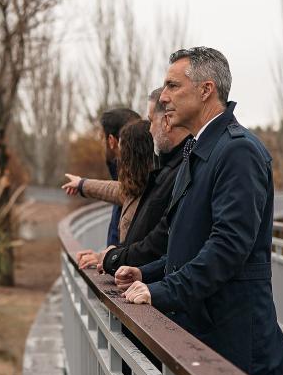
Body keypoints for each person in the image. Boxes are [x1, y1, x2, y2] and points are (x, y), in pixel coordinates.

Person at [116, 47, 283, 375]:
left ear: (206, 90)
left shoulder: (237, 150)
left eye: (173, 86)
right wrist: (143, 270)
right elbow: (183, 241)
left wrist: (163, 290)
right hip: (207, 339)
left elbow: (230, 246)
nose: (164, 97)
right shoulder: (202, 148)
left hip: (232, 340)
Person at [75, 88, 191, 275]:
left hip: (144, 290)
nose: (150, 128)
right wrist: (82, 185)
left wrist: (112, 259)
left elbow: (154, 243)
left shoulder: (169, 177)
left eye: (151, 121)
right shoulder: (157, 178)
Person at [62, 119, 154, 243]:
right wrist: (81, 184)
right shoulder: (141, 186)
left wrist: (110, 257)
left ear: (133, 157)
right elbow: (114, 190)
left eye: (123, 153)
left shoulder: (152, 194)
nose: (120, 159)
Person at [98, 108, 142, 246]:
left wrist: (111, 258)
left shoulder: (135, 181)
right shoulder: (133, 174)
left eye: (101, 138)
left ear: (111, 141)